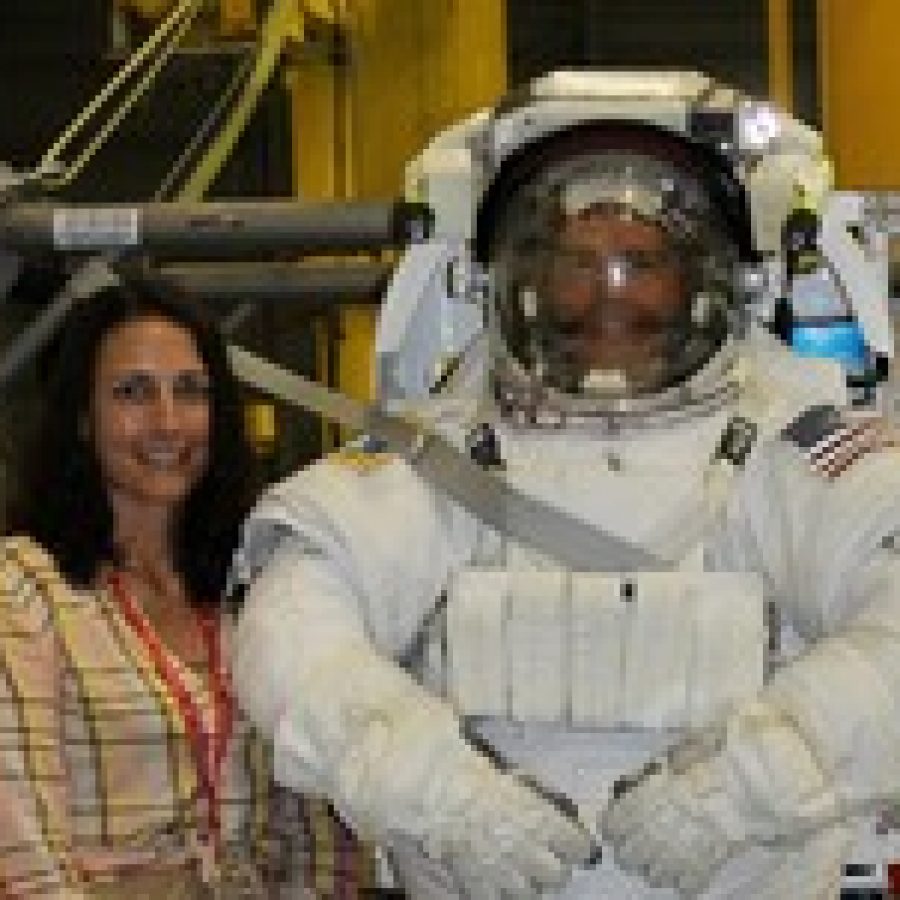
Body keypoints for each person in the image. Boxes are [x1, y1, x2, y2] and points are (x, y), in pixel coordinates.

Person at [232, 72, 900, 898]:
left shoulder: (785, 451)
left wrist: (743, 790)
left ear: (706, 280)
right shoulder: (441, 460)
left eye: (641, 261)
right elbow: (289, 630)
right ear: (520, 278)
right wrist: (445, 799)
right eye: (578, 261)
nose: (608, 291)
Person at [0, 278, 378, 897]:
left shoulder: (258, 589)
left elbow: (316, 820)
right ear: (81, 420)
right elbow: (21, 849)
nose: (168, 422)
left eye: (190, 391)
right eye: (132, 393)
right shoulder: (24, 592)